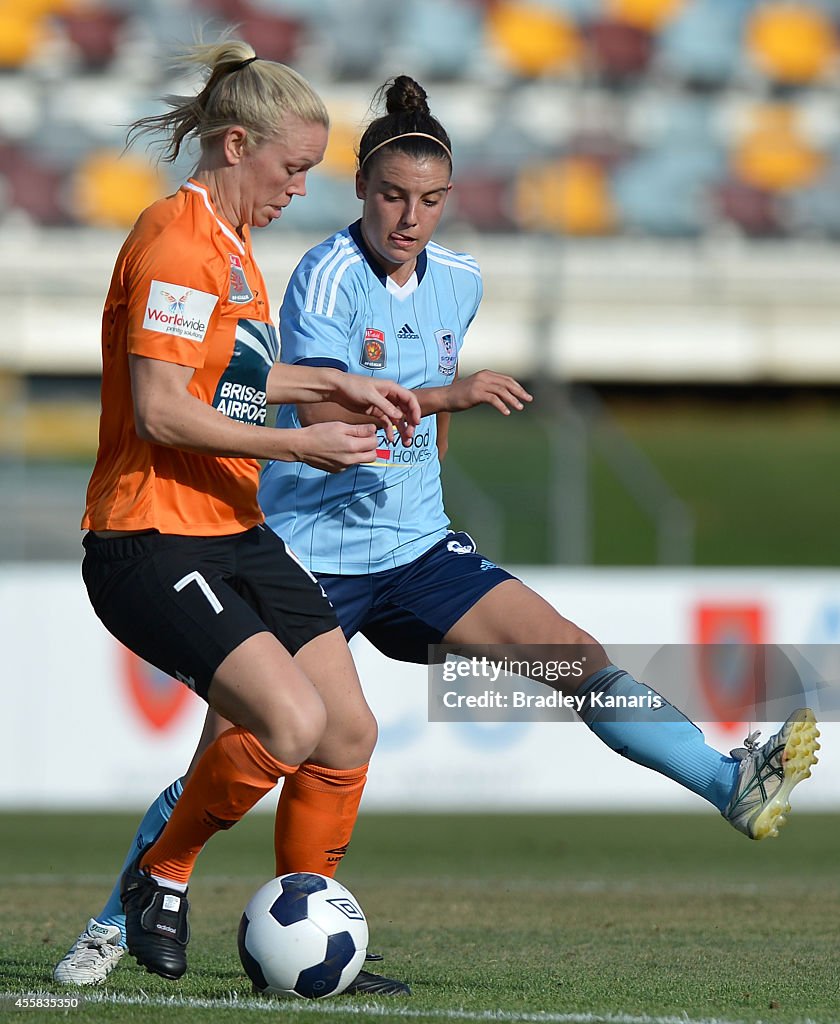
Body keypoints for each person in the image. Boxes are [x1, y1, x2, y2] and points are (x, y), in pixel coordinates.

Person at [55, 74, 821, 992]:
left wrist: (426, 455)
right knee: (249, 744)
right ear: (362, 193)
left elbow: (340, 402)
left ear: (449, 201)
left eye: (428, 200)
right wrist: (395, 404)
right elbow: (241, 397)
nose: (409, 217)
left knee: (564, 656)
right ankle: (110, 924)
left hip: (415, 548)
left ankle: (723, 781)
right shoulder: (315, 274)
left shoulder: (456, 281)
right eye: (389, 196)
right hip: (306, 545)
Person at [60, 42, 422, 995]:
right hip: (150, 535)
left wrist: (345, 390)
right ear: (234, 143)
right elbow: (164, 409)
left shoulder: (232, 250)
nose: (301, 189)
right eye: (293, 168)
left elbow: (244, 381)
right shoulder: (180, 242)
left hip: (229, 529)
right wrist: (305, 446)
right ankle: (161, 874)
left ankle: (304, 946)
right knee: (288, 719)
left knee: (345, 732)